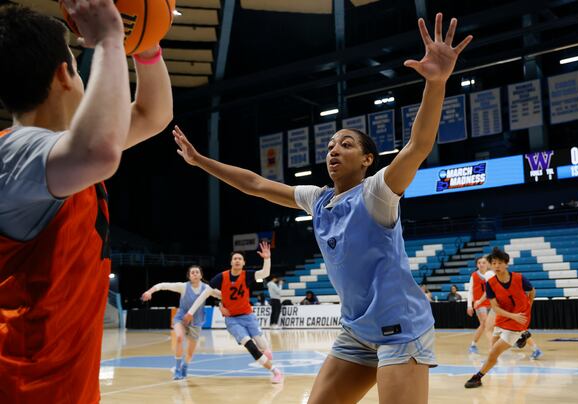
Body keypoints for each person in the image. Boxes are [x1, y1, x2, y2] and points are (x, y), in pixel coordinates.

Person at [173, 13, 471, 403]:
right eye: (331, 145)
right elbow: (256, 184)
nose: (334, 149)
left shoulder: (377, 191)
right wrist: (201, 162)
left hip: (400, 328)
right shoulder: (318, 199)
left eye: (346, 144)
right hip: (356, 331)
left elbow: (418, 146)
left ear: (367, 160)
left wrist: (436, 82)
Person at [0, 2, 172, 402]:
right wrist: (111, 39)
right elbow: (101, 151)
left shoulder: (60, 155)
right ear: (65, 76)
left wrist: (145, 45)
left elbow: (153, 113)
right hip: (26, 391)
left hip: (65, 389)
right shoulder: (15, 154)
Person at [184, 242, 284, 384]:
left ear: (243, 263)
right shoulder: (221, 277)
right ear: (231, 262)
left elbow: (265, 273)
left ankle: (266, 350)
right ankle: (275, 371)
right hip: (232, 320)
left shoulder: (247, 275)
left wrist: (267, 259)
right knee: (250, 346)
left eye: (240, 259)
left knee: (262, 345)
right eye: (235, 258)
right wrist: (190, 312)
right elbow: (205, 294)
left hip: (248, 316)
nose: (237, 260)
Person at [464, 247, 536, 388]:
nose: (496, 266)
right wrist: (512, 315)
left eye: (500, 263)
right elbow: (495, 308)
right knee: (493, 350)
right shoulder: (490, 284)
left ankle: (477, 377)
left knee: (493, 353)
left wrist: (528, 307)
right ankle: (522, 336)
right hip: (504, 317)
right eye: (494, 263)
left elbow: (532, 291)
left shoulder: (519, 278)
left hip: (519, 320)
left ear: (506, 264)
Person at [142, 265, 217, 380]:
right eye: (193, 272)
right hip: (181, 319)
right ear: (189, 276)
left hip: (196, 322)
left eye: (197, 272)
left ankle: (185, 366)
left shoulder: (207, 288)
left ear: (201, 275)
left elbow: (221, 295)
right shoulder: (183, 287)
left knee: (190, 352)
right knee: (179, 338)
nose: (195, 274)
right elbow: (163, 285)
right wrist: (149, 291)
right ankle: (177, 369)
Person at [467, 256, 494, 353]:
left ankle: (473, 344)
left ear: (487, 264)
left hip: (491, 302)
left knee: (484, 325)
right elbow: (470, 291)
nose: (481, 264)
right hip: (479, 303)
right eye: (479, 263)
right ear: (477, 265)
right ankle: (493, 347)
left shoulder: (491, 275)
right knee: (486, 324)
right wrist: (469, 305)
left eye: (483, 262)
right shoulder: (474, 275)